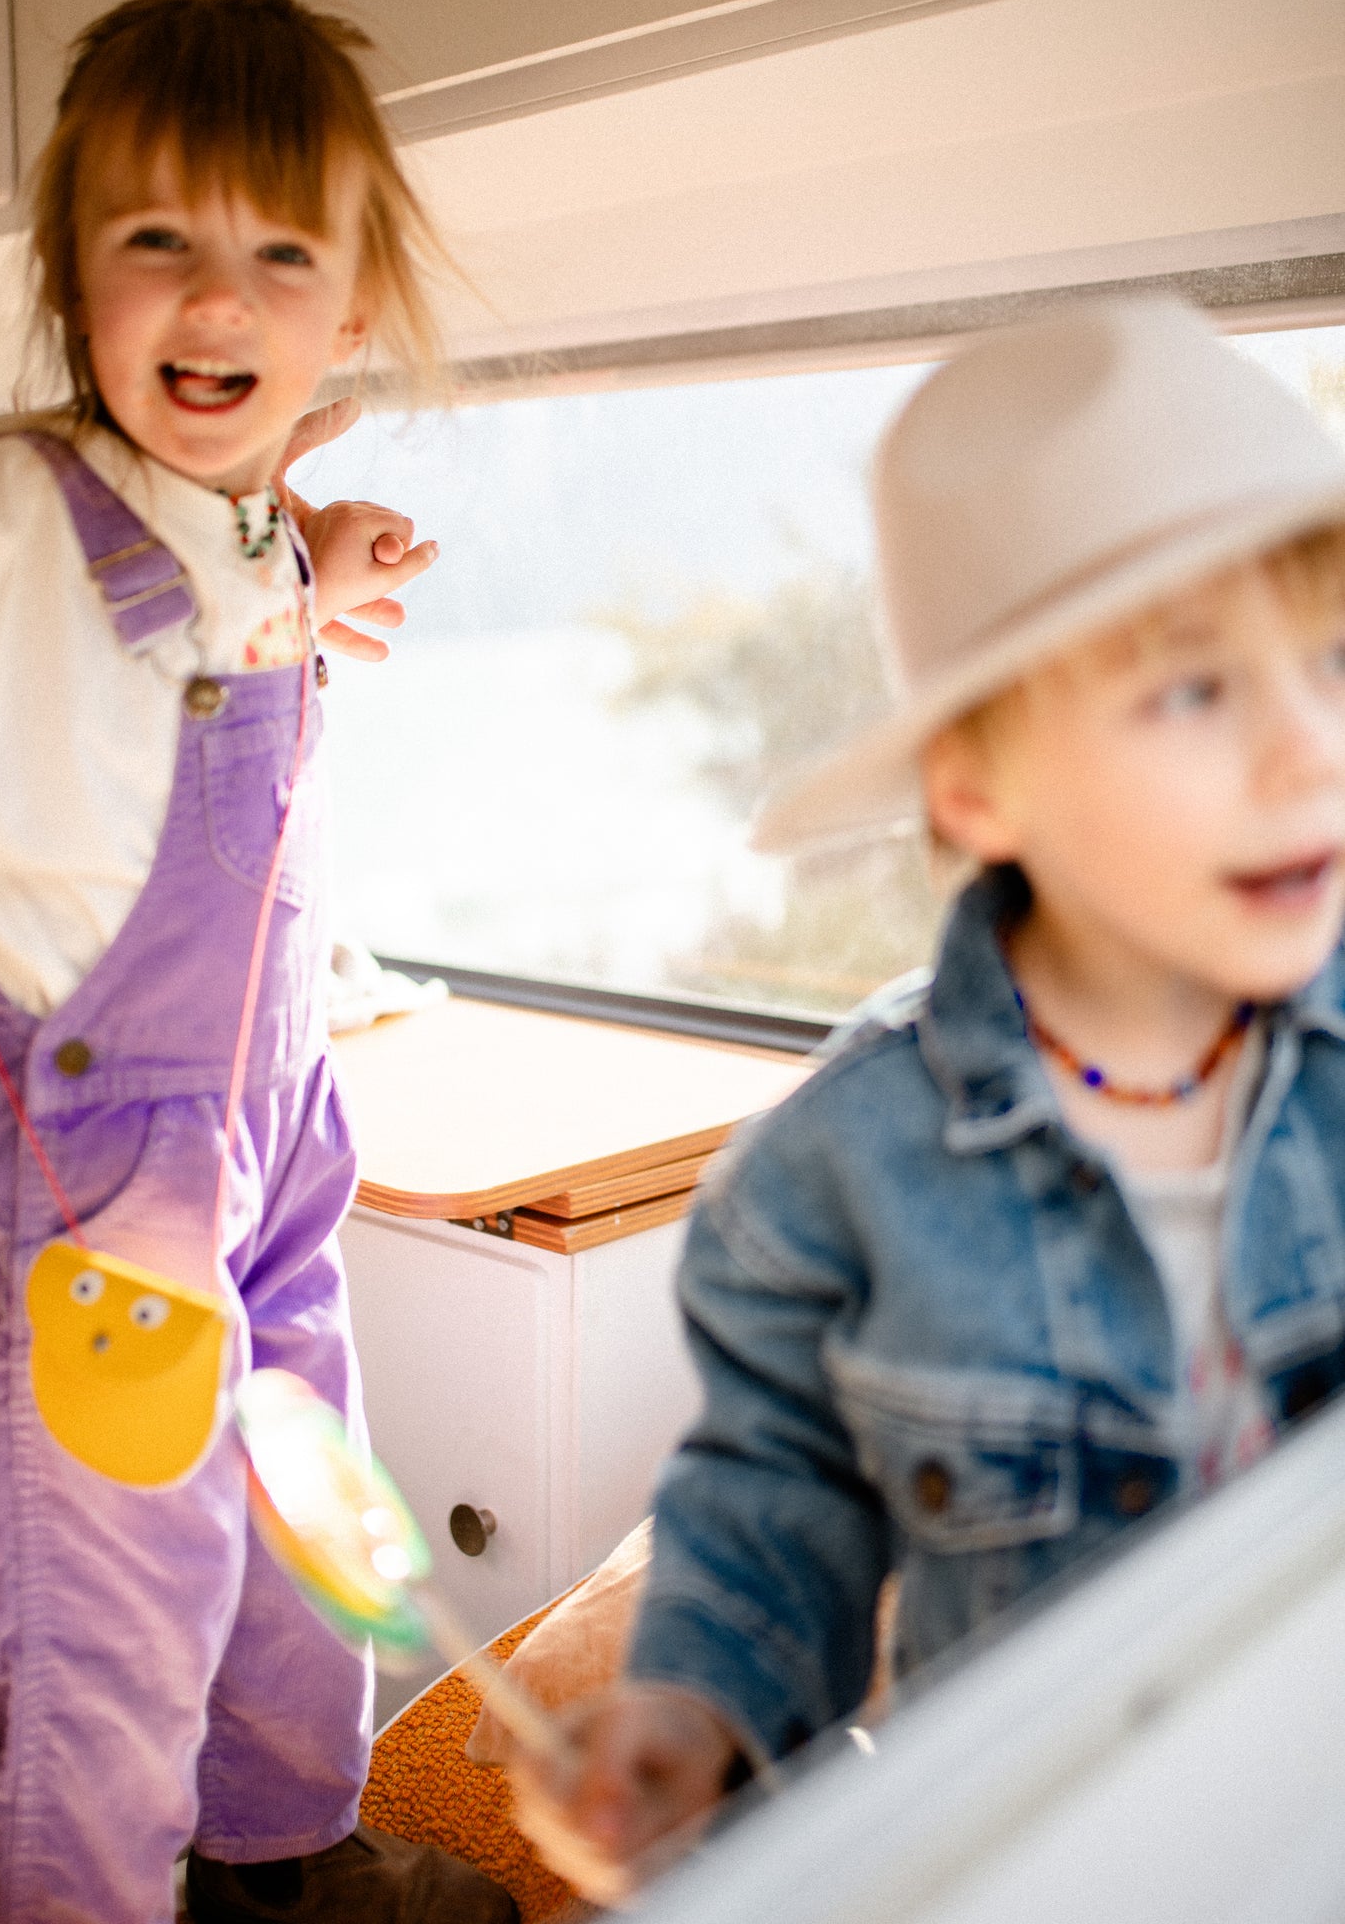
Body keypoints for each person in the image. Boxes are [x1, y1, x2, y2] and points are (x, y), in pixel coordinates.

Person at [505, 297, 1345, 1902]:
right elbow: (773, 1499)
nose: (1308, 750)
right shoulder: (834, 1176)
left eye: (1330, 663)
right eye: (1192, 691)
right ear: (973, 787)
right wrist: (693, 1718)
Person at [0, 0, 516, 1924]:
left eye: (278, 250)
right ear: (76, 279)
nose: (215, 298)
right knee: (104, 1618)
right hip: (91, 1173)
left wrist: (314, 575)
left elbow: (205, 645)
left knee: (300, 1504)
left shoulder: (246, 518)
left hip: (273, 1115)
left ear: (351, 313)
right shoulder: (7, 528)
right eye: (154, 239)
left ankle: (282, 1847)